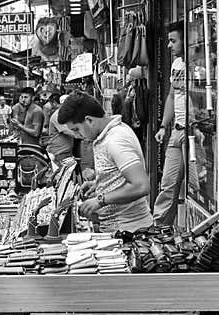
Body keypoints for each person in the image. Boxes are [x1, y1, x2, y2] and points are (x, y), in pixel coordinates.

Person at [57, 93, 152, 233]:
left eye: (76, 129)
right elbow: (120, 174)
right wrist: (100, 183)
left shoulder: (116, 140)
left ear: (89, 120)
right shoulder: (108, 135)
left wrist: (100, 200)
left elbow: (141, 186)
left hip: (131, 230)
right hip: (118, 229)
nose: (77, 135)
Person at [153, 21, 195, 226]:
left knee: (196, 186)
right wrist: (163, 126)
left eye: (173, 41)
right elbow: (171, 96)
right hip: (176, 132)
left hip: (194, 132)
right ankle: (159, 228)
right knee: (167, 184)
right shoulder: (177, 64)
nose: (169, 46)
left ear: (186, 41)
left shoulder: (198, 64)